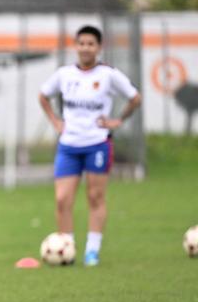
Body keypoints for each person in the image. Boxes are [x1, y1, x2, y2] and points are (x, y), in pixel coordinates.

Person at [38, 25, 142, 267]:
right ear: (76, 46)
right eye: (81, 43)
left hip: (97, 144)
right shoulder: (64, 74)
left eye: (90, 44)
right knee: (62, 199)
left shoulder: (108, 75)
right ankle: (68, 248)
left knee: (95, 197)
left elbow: (135, 98)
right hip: (68, 145)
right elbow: (43, 95)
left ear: (98, 47)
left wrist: (119, 120)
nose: (85, 48)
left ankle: (92, 251)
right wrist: (55, 121)